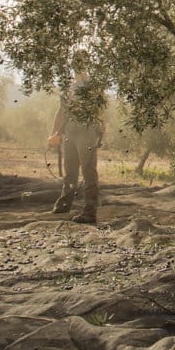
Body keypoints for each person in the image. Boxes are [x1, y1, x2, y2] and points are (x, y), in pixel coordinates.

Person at [47, 49, 106, 224]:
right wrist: (54, 133)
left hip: (87, 132)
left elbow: (100, 110)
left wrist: (102, 131)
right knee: (70, 171)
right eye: (75, 61)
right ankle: (64, 204)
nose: (77, 65)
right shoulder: (68, 86)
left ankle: (90, 211)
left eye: (80, 61)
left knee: (88, 171)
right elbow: (61, 111)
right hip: (70, 132)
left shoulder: (92, 85)